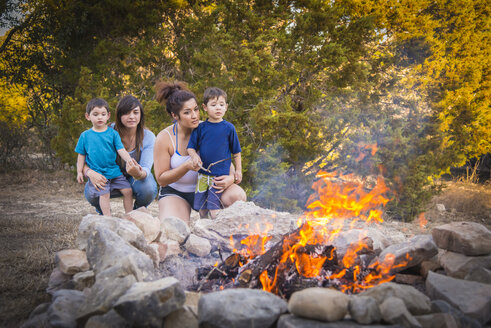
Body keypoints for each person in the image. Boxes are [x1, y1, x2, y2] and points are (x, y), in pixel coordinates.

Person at [153, 81, 246, 225]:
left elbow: (225, 156)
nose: (194, 115)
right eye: (187, 112)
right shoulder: (164, 138)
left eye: (195, 109)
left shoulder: (208, 127)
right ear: (175, 115)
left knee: (237, 196)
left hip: (211, 187)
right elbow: (161, 179)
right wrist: (186, 166)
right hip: (177, 193)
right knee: (173, 227)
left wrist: (231, 177)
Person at [83, 95, 158, 214]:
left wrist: (138, 173)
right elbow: (85, 160)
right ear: (119, 115)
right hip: (109, 176)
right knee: (91, 192)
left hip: (135, 180)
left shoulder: (148, 137)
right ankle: (103, 213)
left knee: (148, 187)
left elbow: (146, 169)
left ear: (141, 115)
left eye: (135, 112)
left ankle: (137, 213)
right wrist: (90, 172)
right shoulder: (106, 131)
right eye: (127, 113)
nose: (132, 116)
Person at [187, 87, 242, 219]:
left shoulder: (229, 128)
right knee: (201, 208)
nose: (218, 108)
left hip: (219, 177)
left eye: (221, 105)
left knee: (213, 208)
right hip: (202, 175)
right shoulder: (200, 128)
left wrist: (238, 171)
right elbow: (191, 147)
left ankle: (214, 231)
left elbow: (236, 152)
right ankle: (202, 229)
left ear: (226, 107)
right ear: (205, 107)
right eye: (213, 105)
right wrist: (194, 156)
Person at [76, 98, 134, 216]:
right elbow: (81, 156)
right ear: (88, 116)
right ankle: (108, 219)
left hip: (114, 172)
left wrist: (129, 160)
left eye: (103, 114)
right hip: (98, 174)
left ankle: (130, 216)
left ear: (108, 116)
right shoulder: (85, 136)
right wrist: (79, 172)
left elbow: (121, 150)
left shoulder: (113, 134)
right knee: (104, 195)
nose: (100, 117)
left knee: (128, 191)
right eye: (95, 114)